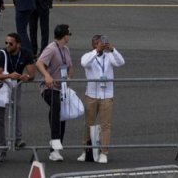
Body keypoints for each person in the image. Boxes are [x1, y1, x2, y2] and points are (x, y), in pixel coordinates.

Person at [78, 34, 125, 163]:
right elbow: (84, 63)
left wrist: (113, 50)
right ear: (94, 44)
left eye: (104, 42)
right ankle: (85, 151)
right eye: (99, 43)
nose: (103, 44)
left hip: (107, 95)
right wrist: (96, 51)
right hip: (91, 95)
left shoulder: (109, 56)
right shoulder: (88, 56)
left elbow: (121, 62)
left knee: (105, 125)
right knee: (89, 124)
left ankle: (104, 152)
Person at [0, 32, 35, 160]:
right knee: (0, 116)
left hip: (16, 85)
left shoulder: (26, 53)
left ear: (18, 44)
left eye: (10, 43)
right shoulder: (2, 54)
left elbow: (32, 74)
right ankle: (2, 147)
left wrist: (25, 77)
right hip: (3, 85)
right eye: (6, 43)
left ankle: (18, 139)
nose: (7, 45)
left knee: (16, 108)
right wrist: (10, 76)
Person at [36, 24, 73, 162]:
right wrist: (47, 76)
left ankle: (56, 148)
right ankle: (55, 141)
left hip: (61, 88)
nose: (70, 36)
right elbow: (39, 63)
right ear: (64, 35)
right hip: (49, 88)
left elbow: (70, 66)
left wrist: (69, 77)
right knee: (55, 106)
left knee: (60, 115)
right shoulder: (51, 49)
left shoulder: (66, 49)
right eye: (69, 34)